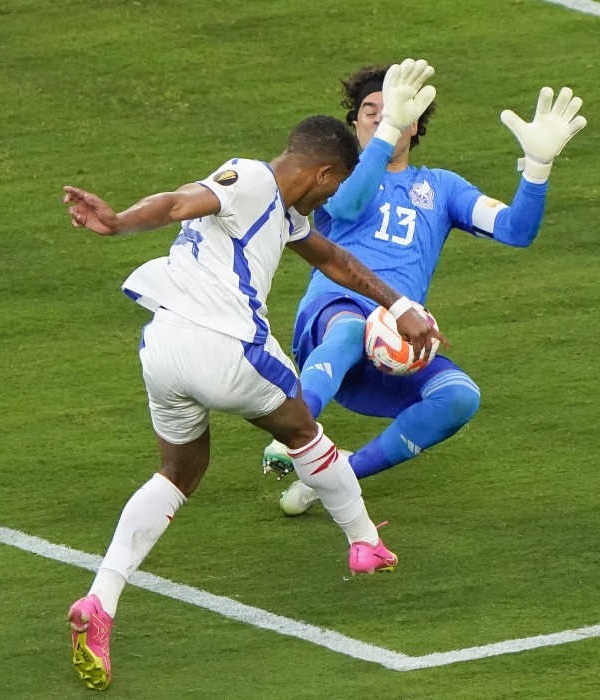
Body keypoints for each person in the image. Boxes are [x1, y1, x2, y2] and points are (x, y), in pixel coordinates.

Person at [62, 61, 442, 692]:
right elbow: (181, 201)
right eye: (334, 188)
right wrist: (118, 222)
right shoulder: (250, 180)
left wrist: (398, 308)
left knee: (178, 473)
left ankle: (100, 601)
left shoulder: (280, 209)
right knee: (303, 430)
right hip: (225, 345)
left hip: (161, 347)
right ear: (324, 173)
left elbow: (334, 259)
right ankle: (365, 540)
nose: (328, 202)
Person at [263, 64, 587, 517]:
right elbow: (351, 205)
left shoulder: (441, 187)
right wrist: (387, 129)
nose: (379, 117)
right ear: (355, 123)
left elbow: (517, 231)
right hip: (333, 313)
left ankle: (338, 477)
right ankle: (293, 431)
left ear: (416, 123)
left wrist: (537, 168)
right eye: (370, 110)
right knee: (351, 330)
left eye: (393, 111)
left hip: (397, 335)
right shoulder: (335, 176)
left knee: (459, 397)